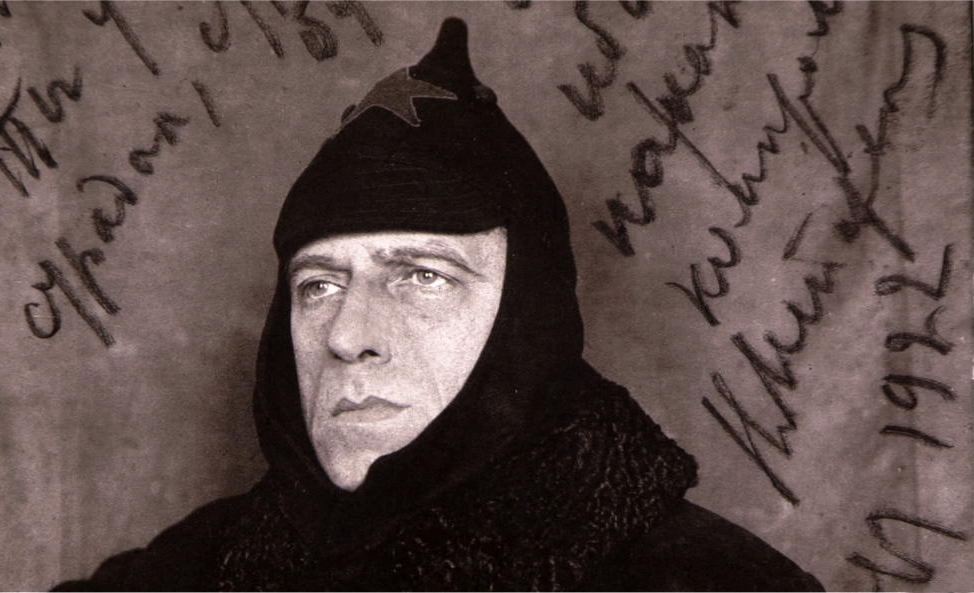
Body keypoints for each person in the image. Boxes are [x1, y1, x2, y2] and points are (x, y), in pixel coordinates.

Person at [56, 18, 823, 591]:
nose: (348, 336)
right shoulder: (191, 570)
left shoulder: (703, 580)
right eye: (319, 284)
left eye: (422, 276)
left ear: (526, 322)